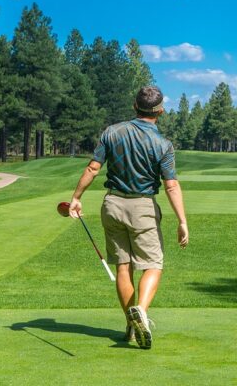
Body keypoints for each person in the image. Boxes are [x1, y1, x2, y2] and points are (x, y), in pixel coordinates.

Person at [69, 85, 189, 349]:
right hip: (142, 206)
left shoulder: (112, 132)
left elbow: (93, 168)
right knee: (153, 265)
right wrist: (182, 221)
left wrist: (76, 197)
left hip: (112, 204)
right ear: (160, 111)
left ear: (135, 106)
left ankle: (131, 325)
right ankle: (142, 313)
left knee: (123, 267)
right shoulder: (163, 144)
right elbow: (170, 185)